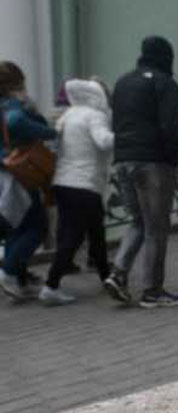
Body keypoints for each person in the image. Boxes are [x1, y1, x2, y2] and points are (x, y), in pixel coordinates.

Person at [104, 36, 178, 308]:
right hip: (153, 163)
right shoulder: (165, 83)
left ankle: (118, 273)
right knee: (156, 228)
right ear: (166, 56)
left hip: (123, 160)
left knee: (138, 222)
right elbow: (171, 127)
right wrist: (175, 161)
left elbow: (115, 121)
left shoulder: (123, 82)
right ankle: (152, 290)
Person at [40, 78, 114, 305]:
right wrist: (128, 136)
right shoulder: (95, 116)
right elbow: (104, 142)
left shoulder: (69, 114)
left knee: (95, 231)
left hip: (63, 182)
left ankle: (106, 277)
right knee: (75, 236)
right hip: (85, 183)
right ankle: (51, 286)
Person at [0, 61, 57, 301]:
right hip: (19, 172)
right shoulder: (12, 105)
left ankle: (18, 277)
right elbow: (17, 123)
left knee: (17, 226)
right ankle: (9, 272)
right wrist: (52, 131)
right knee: (37, 226)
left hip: (5, 172)